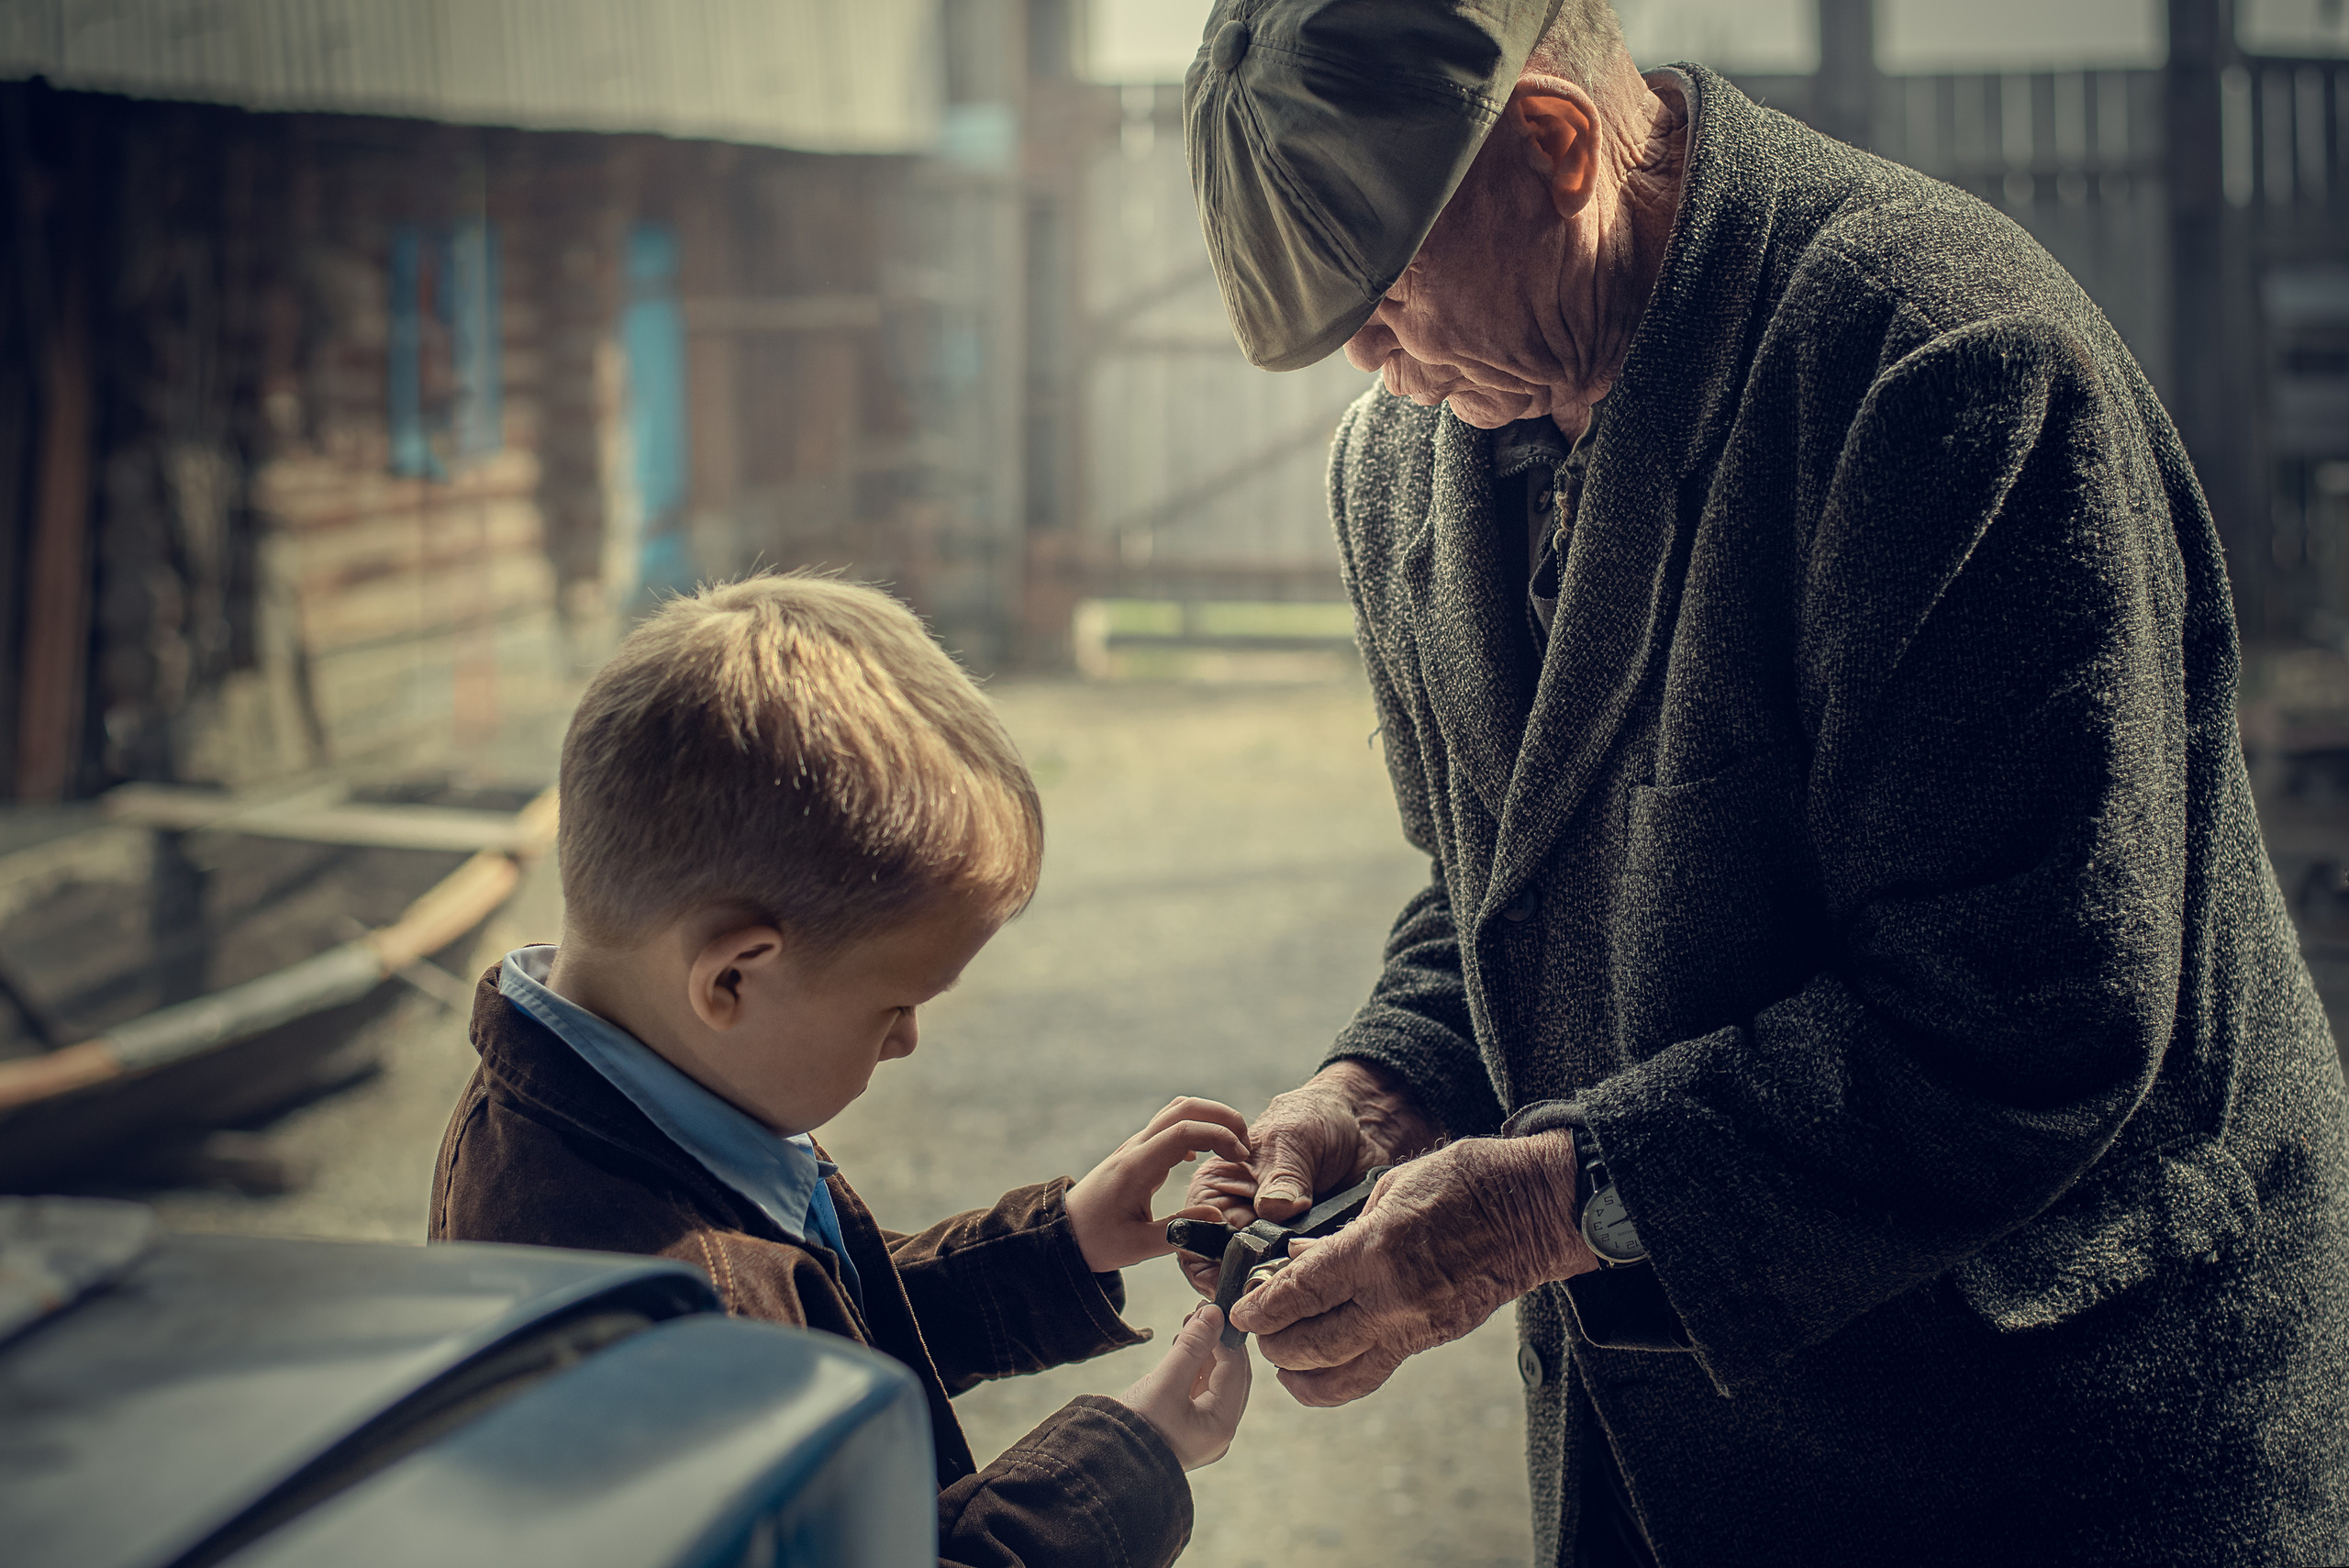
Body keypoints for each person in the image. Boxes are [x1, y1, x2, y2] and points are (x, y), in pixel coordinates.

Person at [1177, 2, 2349, 1563]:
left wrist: (1539, 1206)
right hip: (1675, 1459)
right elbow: (1505, 887)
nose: (1373, 367)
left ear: (1555, 147)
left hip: (2046, 1445)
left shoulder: (1943, 372)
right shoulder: (1406, 459)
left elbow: (2025, 1013)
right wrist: (1380, 1086)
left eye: (1384, 294)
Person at [430, 574, 1250, 1568]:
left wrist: (1058, 1247)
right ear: (732, 977)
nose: (907, 1040)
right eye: (894, 1006)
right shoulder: (658, 1316)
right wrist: (1130, 1461)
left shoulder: (603, 1090)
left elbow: (817, 1332)